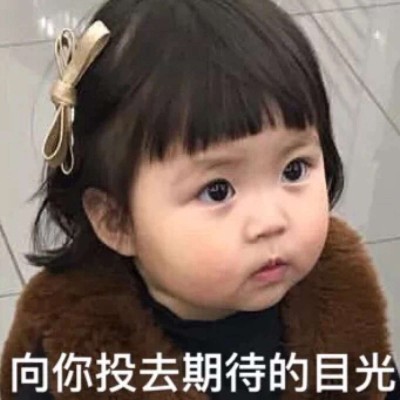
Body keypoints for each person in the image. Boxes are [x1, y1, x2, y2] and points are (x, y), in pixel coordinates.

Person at [0, 0, 399, 399]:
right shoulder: (68, 365)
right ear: (117, 221)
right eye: (217, 190)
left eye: (293, 170)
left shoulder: (343, 306)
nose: (271, 220)